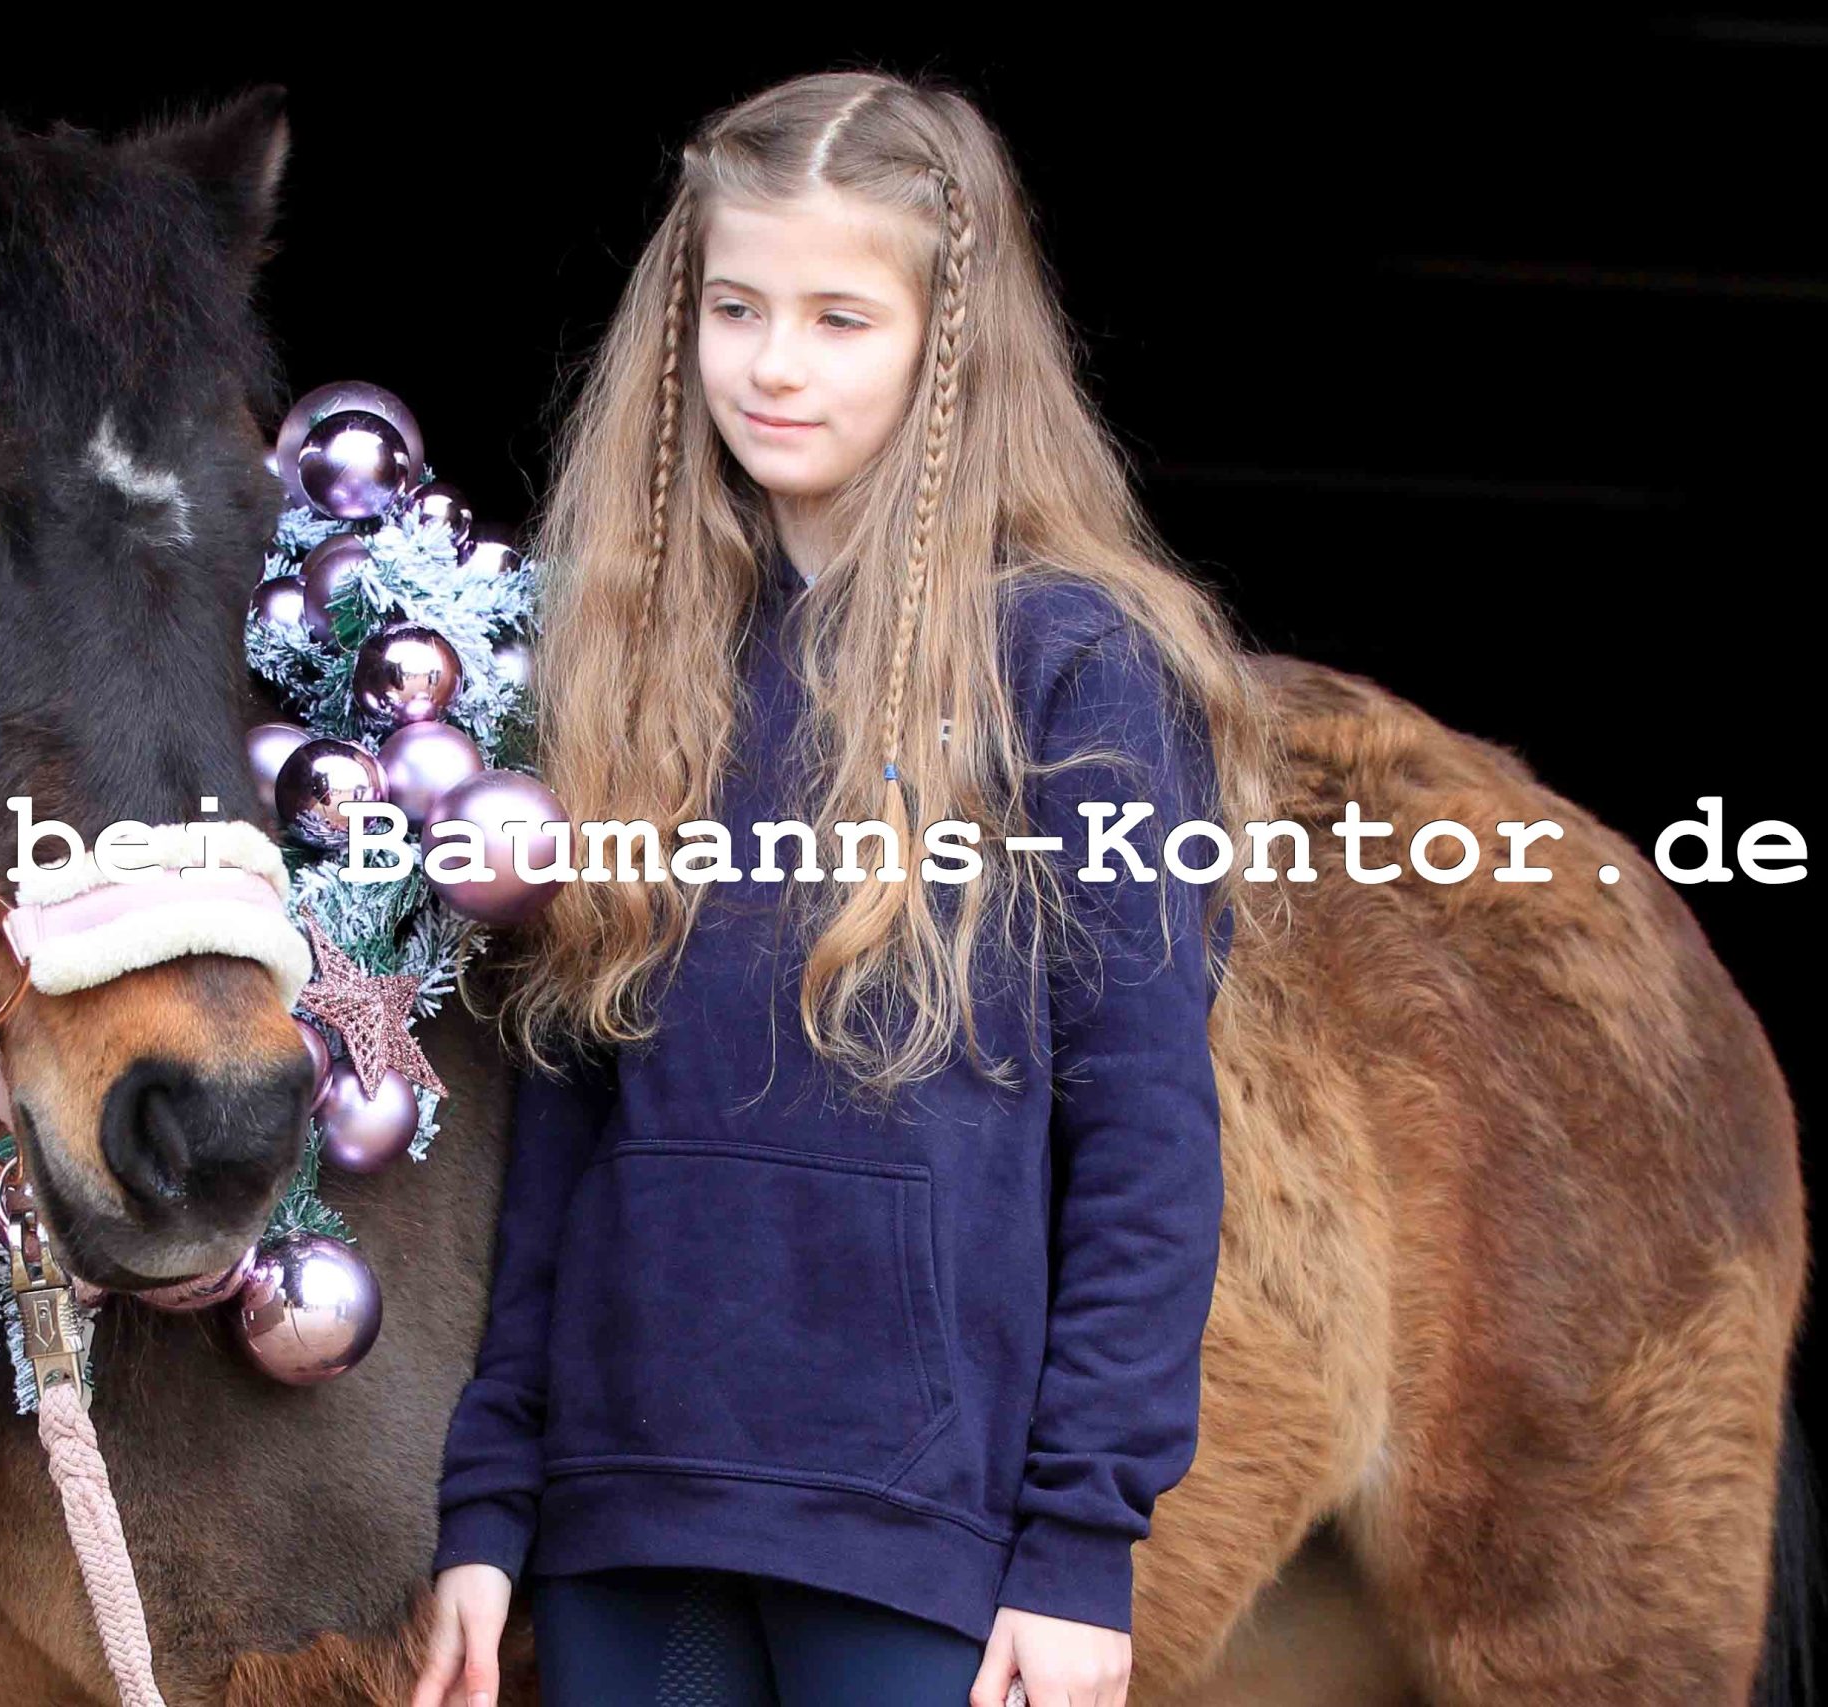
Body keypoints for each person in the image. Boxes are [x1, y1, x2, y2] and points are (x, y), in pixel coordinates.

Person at [411, 68, 1277, 1707]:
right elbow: (566, 1138)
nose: (775, 365)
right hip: (628, 1516)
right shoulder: (634, 671)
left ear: (949, 347)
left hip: (914, 1537)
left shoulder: (1074, 670)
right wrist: (493, 1501)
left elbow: (1147, 1148)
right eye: (736, 307)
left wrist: (1080, 1547)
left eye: (840, 318)